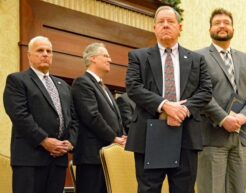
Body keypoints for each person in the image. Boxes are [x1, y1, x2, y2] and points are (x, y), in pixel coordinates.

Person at [125, 6, 212, 193]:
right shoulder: (138, 57)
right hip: (149, 133)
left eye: (170, 22)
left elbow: (205, 91)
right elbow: (133, 87)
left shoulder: (197, 60)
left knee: (184, 189)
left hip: (186, 132)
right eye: (161, 22)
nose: (165, 25)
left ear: (180, 28)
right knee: (149, 188)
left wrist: (182, 111)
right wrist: (165, 106)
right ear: (154, 27)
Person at [196, 8, 246, 193]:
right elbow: (200, 92)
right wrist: (223, 118)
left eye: (226, 23)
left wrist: (244, 117)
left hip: (243, 137)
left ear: (233, 28)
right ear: (210, 30)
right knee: (211, 189)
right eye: (217, 23)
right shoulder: (198, 57)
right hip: (212, 136)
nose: (222, 26)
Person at [3, 36, 78, 193]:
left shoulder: (63, 85)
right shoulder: (17, 80)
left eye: (49, 51)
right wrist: (44, 140)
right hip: (30, 159)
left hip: (58, 160)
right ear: (29, 55)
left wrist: (70, 142)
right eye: (40, 50)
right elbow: (20, 116)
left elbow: (74, 118)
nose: (45, 54)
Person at [71, 43, 127, 193]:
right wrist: (114, 138)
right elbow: (91, 116)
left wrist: (122, 136)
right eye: (106, 56)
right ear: (93, 58)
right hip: (91, 157)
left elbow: (115, 117)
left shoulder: (104, 87)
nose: (110, 60)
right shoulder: (82, 83)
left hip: (108, 156)